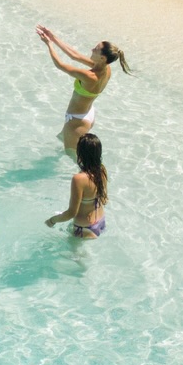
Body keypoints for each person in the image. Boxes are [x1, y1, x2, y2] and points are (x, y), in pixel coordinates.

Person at [38, 26, 129, 154]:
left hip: (76, 120)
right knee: (60, 141)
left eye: (96, 49)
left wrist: (49, 44)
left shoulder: (91, 76)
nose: (92, 49)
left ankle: (93, 174)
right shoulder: (105, 68)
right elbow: (74, 56)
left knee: (74, 157)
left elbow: (60, 65)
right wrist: (53, 38)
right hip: (88, 114)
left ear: (102, 58)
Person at [46, 133, 109, 238]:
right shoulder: (102, 170)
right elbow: (104, 199)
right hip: (100, 222)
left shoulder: (79, 179)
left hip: (84, 228)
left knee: (71, 255)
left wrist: (52, 220)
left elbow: (71, 213)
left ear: (80, 153)